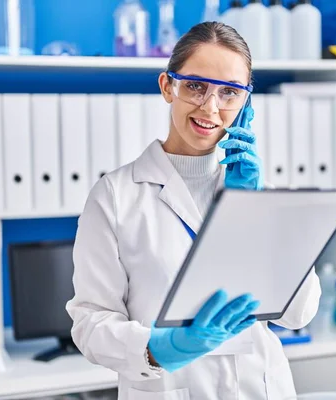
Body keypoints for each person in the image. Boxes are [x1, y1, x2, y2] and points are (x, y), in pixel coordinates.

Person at [66, 21, 321, 400]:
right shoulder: (115, 197)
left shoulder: (255, 190)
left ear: (246, 101)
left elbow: (299, 312)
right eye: (196, 86)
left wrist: (252, 210)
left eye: (230, 92)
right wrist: (164, 346)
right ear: (168, 86)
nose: (211, 107)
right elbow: (90, 323)